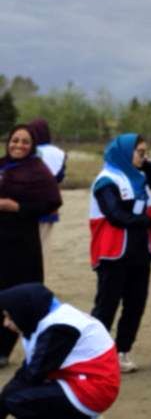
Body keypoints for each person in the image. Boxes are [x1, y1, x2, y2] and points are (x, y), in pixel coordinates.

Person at [88, 135, 151, 374]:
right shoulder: (105, 180)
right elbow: (116, 215)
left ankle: (122, 351)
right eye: (140, 152)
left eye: (146, 152)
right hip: (113, 253)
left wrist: (143, 161)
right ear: (123, 153)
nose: (145, 157)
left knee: (135, 304)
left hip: (141, 251)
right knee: (106, 305)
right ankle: (92, 354)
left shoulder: (140, 178)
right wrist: (147, 220)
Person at [0, 283, 119, 419]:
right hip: (83, 380)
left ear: (22, 312)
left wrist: (5, 400)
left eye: (9, 316)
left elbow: (34, 373)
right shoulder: (44, 318)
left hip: (93, 390)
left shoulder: (59, 329)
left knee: (17, 400)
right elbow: (28, 370)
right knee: (14, 395)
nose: (5, 323)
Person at [0, 126, 62, 368]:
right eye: (15, 140)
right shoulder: (2, 165)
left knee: (16, 294)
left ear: (33, 146)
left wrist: (18, 208)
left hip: (21, 242)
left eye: (25, 142)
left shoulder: (38, 171)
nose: (19, 145)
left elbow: (51, 202)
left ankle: (4, 349)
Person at [27, 120, 66, 249]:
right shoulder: (60, 153)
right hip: (50, 203)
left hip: (26, 203)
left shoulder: (27, 150)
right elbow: (60, 177)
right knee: (43, 243)